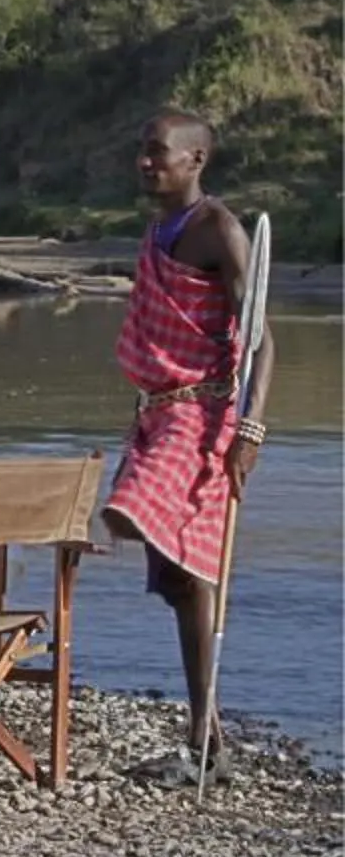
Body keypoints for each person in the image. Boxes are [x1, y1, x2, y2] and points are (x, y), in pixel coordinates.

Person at [99, 109, 274, 785]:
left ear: (196, 159)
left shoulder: (219, 232)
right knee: (177, 577)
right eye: (142, 153)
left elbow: (261, 337)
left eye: (159, 154)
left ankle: (204, 741)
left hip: (201, 418)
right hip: (156, 412)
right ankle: (209, 739)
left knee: (133, 515)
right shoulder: (160, 231)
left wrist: (251, 429)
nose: (147, 163)